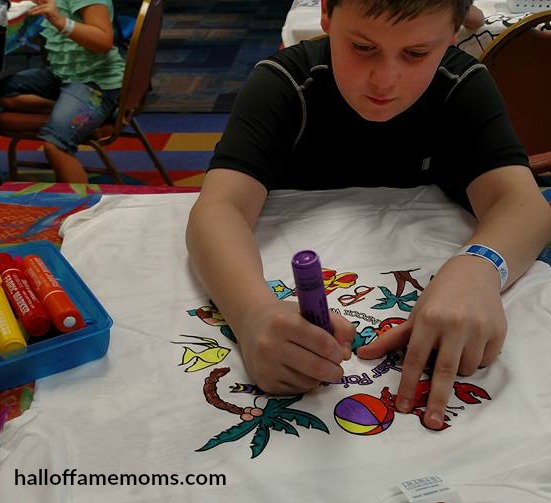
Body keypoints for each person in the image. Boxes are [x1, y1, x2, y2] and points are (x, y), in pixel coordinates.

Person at [186, 0, 551, 430]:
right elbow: (219, 207)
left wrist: (480, 267)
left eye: (416, 54)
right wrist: (252, 314)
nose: (385, 80)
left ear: (451, 37)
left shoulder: (461, 85)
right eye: (361, 47)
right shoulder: (284, 83)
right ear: (326, 16)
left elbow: (524, 204)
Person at [0, 0, 125, 183]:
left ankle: (81, 208)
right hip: (62, 77)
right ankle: (74, 107)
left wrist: (59, 21)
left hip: (96, 83)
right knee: (4, 92)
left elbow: (103, 41)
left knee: (55, 146)